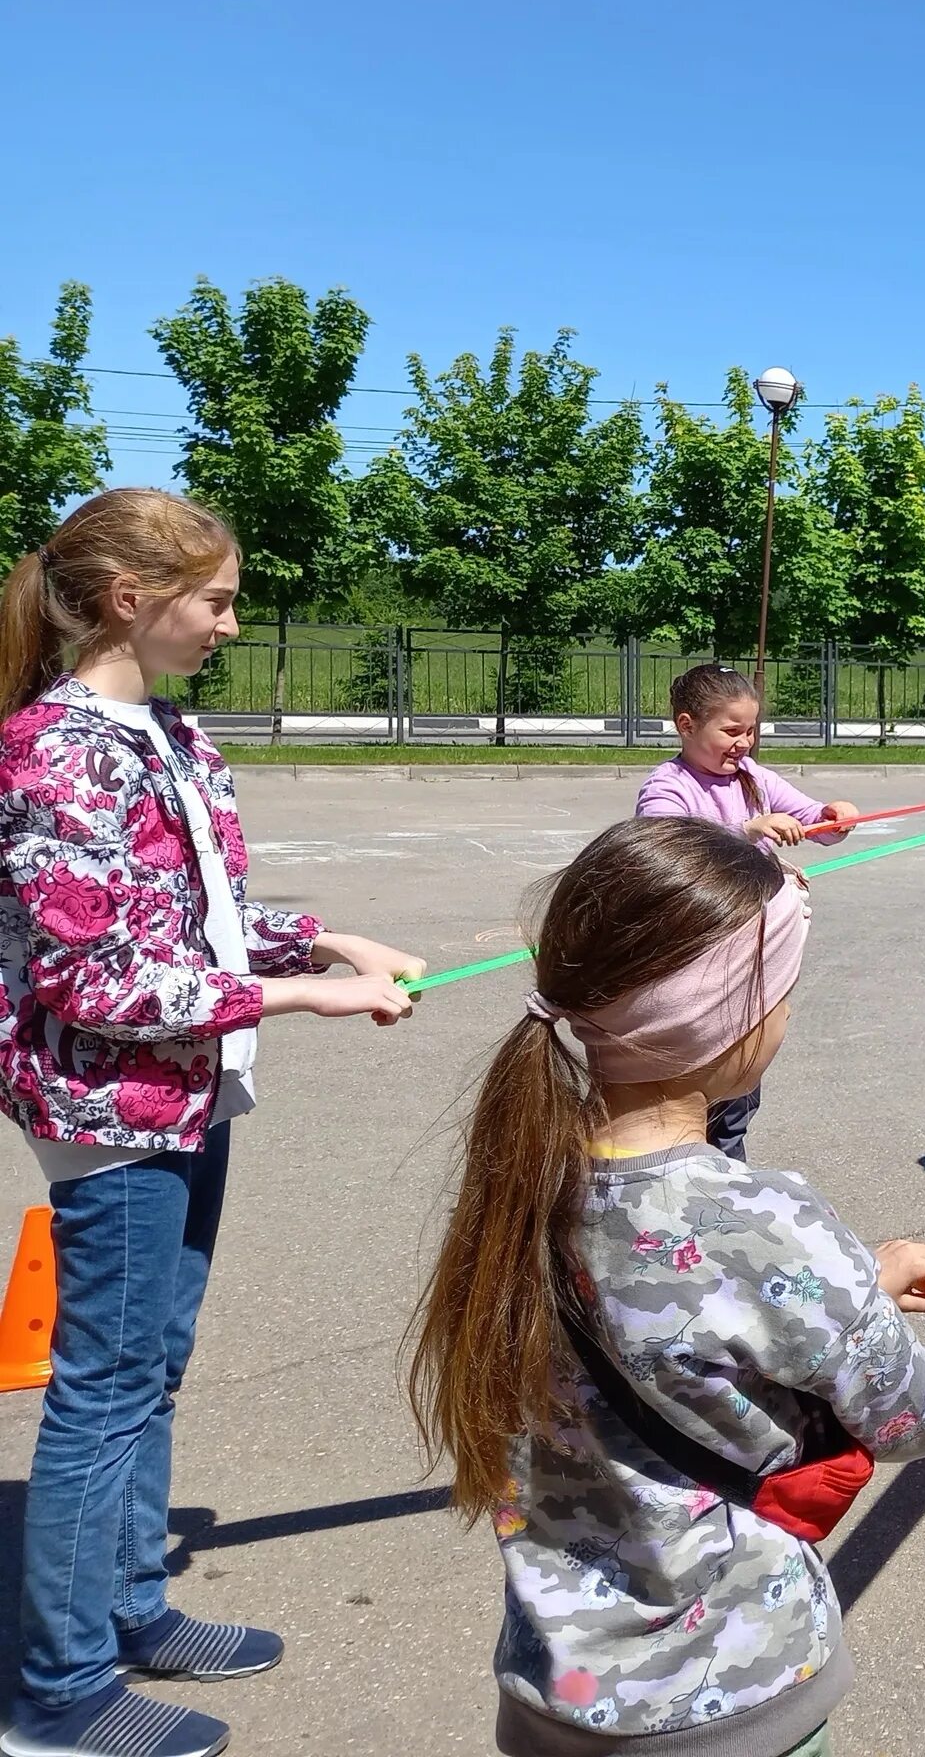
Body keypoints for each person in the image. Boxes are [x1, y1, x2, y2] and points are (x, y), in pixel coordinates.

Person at [408, 815, 925, 1757]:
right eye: (780, 990)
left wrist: (860, 1282)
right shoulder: (761, 1220)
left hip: (552, 1693)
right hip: (726, 1706)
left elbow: (679, 1324)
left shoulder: (525, 1175)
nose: (788, 1013)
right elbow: (915, 1415)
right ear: (724, 1017)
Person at [0, 491, 421, 1757]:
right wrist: (305, 993)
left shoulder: (164, 734)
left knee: (150, 1369)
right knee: (105, 1387)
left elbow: (192, 922)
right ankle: (57, 1695)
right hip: (113, 1107)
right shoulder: (55, 752)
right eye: (219, 599)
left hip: (189, 1086)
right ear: (134, 599)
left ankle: (131, 1609)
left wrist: (324, 934)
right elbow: (93, 979)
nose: (234, 624)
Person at [635, 664, 860, 1160]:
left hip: (750, 955)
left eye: (751, 730)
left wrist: (832, 817)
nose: (744, 743)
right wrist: (747, 830)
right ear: (687, 725)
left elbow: (807, 816)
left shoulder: (753, 777)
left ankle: (729, 1175)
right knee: (689, 1086)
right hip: (696, 960)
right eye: (731, 730)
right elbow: (663, 848)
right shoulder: (667, 785)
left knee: (739, 1087)